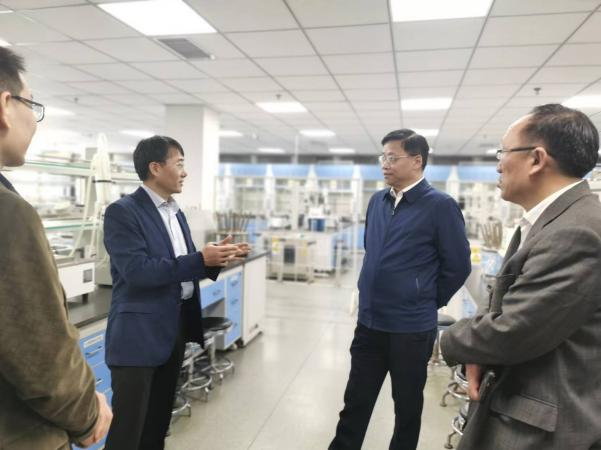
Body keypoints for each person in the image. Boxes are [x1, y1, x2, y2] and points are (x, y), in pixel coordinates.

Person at [441, 104, 601, 450]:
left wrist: (445, 341)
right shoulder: (550, 221)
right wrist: (478, 351)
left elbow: (516, 329)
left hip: (542, 431)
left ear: (536, 159)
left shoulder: (576, 231)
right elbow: (508, 304)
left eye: (504, 152)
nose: (498, 165)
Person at [103, 135, 249, 450]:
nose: (185, 172)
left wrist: (217, 258)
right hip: (138, 337)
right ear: (155, 168)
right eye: (179, 164)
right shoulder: (123, 212)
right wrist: (200, 260)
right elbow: (138, 271)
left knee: (157, 426)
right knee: (128, 432)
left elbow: (180, 265)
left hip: (173, 332)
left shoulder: (175, 212)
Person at [330, 129, 471, 450]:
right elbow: (372, 250)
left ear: (417, 161)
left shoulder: (440, 206)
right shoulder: (377, 201)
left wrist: (424, 299)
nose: (385, 164)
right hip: (369, 323)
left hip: (410, 329)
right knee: (355, 402)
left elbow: (458, 265)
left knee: (406, 408)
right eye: (383, 157)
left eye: (393, 157)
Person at [0, 47, 112, 449]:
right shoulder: (8, 214)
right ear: (4, 106)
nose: (35, 120)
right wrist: (88, 415)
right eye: (31, 104)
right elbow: (43, 358)